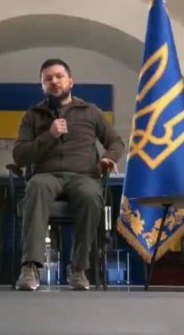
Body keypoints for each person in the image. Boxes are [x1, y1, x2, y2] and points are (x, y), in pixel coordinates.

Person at [12, 58, 125, 290]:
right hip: (47, 175)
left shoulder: (90, 111)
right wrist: (49, 135)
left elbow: (116, 142)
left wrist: (108, 158)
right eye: (48, 79)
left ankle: (78, 268)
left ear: (70, 82)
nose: (54, 81)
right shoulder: (33, 115)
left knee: (90, 195)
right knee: (36, 186)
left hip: (83, 176)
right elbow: (19, 156)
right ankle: (30, 267)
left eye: (59, 76)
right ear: (42, 86)